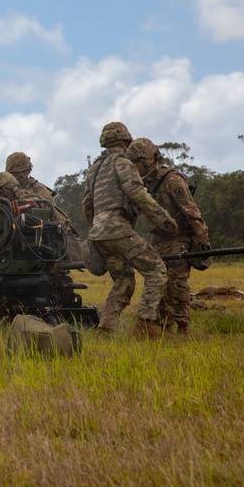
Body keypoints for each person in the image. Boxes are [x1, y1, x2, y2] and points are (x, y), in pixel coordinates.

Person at [81, 122, 177, 337]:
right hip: (116, 229)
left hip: (98, 233)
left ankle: (106, 327)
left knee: (124, 280)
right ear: (125, 141)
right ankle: (145, 325)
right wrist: (162, 217)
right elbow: (136, 193)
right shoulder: (123, 162)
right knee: (156, 270)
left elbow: (86, 206)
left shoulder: (94, 168)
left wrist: (100, 225)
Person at [126, 137, 210, 336]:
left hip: (179, 237)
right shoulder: (141, 185)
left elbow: (191, 212)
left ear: (149, 159)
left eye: (138, 162)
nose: (136, 167)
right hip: (159, 240)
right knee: (157, 282)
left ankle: (182, 329)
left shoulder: (172, 180)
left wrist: (201, 241)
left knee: (175, 282)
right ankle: (164, 327)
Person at [0, 171, 84, 262]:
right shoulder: (2, 202)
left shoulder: (27, 199)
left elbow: (36, 223)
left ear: (10, 189)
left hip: (63, 237)